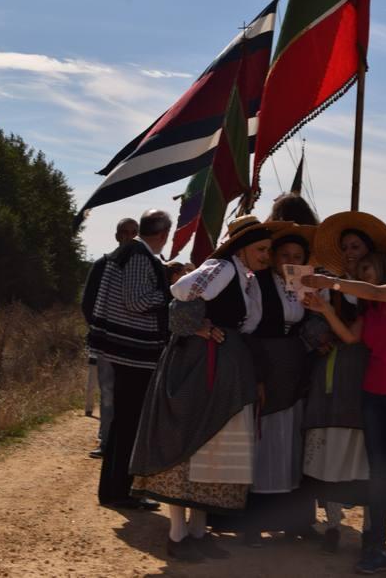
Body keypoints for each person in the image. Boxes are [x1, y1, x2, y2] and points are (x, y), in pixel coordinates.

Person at [130, 215, 280, 563]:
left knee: (212, 448)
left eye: (268, 250)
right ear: (242, 247)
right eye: (261, 249)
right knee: (192, 442)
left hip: (226, 364)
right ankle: (177, 535)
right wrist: (196, 327)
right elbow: (180, 293)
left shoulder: (244, 277)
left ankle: (198, 533)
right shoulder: (224, 268)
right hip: (199, 365)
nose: (266, 256)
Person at [303, 250, 386, 578]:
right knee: (378, 475)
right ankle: (378, 548)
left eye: (367, 267)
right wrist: (326, 308)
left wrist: (332, 281)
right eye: (359, 270)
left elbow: (373, 290)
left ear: (384, 266)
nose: (364, 273)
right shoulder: (369, 310)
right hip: (375, 396)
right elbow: (349, 337)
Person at [218, 223, 315, 546]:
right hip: (263, 360)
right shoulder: (255, 282)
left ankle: (293, 520)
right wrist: (257, 373)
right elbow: (249, 330)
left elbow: (312, 321)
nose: (290, 260)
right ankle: (252, 521)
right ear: (272, 256)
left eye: (297, 256)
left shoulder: (303, 283)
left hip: (294, 365)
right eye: (283, 254)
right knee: (262, 440)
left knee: (291, 443)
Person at [89, 209, 172, 509]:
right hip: (133, 354)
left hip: (127, 351)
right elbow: (136, 300)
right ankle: (119, 492)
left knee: (124, 424)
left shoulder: (133, 252)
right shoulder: (139, 255)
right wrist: (169, 293)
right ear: (163, 234)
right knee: (128, 425)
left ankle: (115, 490)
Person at [81, 217, 139, 458]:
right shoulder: (103, 265)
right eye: (125, 233)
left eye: (134, 233)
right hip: (108, 345)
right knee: (108, 395)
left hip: (137, 346)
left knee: (134, 397)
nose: (129, 237)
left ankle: (129, 447)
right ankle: (106, 442)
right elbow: (88, 303)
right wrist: (100, 332)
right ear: (117, 236)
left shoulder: (147, 265)